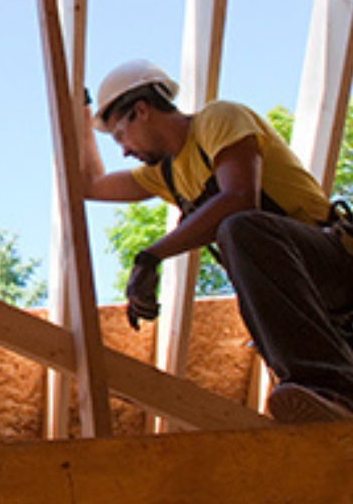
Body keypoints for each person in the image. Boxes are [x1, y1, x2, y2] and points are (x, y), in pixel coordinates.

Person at [81, 58, 353, 424]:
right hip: (319, 308)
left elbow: (240, 196)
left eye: (119, 136)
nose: (125, 151)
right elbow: (88, 186)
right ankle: (334, 402)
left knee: (239, 229)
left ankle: (330, 389)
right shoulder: (167, 174)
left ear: (141, 110)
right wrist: (79, 112)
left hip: (335, 264)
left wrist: (151, 256)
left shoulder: (218, 119)